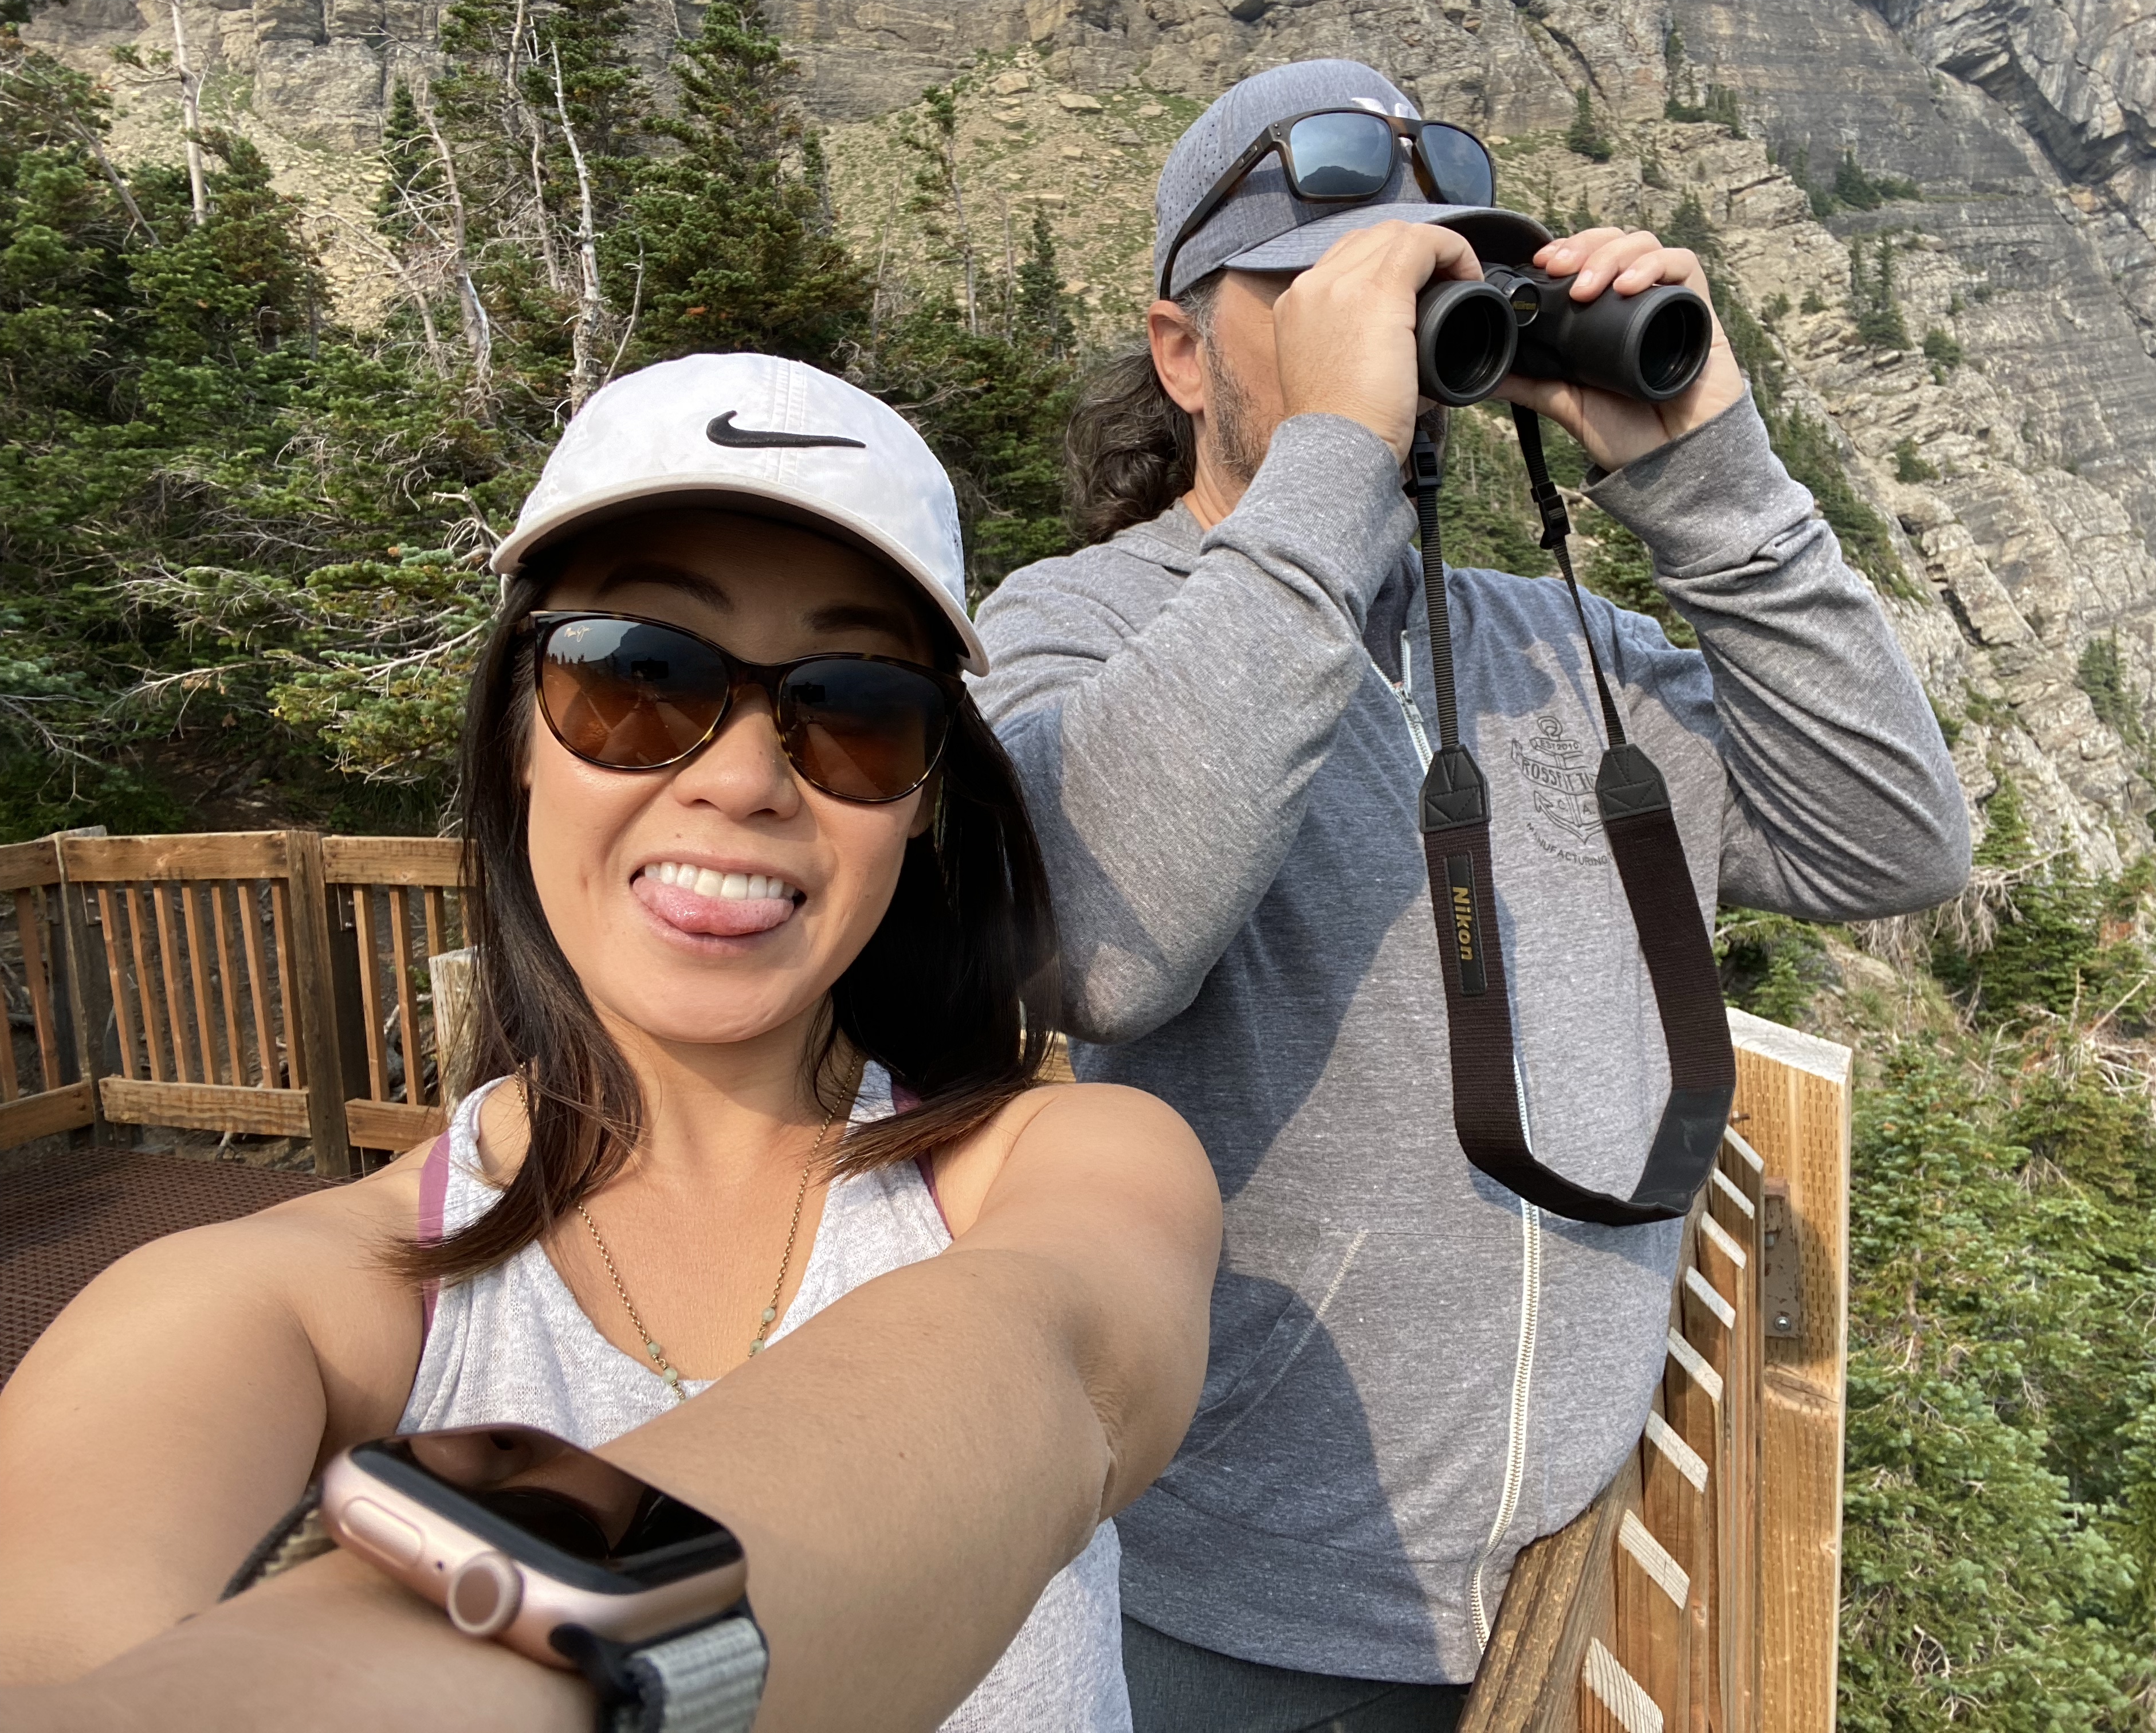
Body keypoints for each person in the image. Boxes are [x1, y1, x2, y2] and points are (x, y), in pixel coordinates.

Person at [0, 354, 1220, 1733]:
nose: (744, 779)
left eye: (856, 707)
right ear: (519, 730)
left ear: (926, 797)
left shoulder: (1079, 1162)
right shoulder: (271, 1311)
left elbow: (1055, 1373)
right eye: (639, 675)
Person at [971, 58, 1971, 1731]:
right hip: (1248, 1618)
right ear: (1180, 352)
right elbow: (1107, 946)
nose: (1398, 337)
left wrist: (1710, 478)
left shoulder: (1563, 650)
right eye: (1330, 292)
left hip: (1583, 1582)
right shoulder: (1074, 626)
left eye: (1435, 286)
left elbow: (1891, 843)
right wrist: (1332, 473)